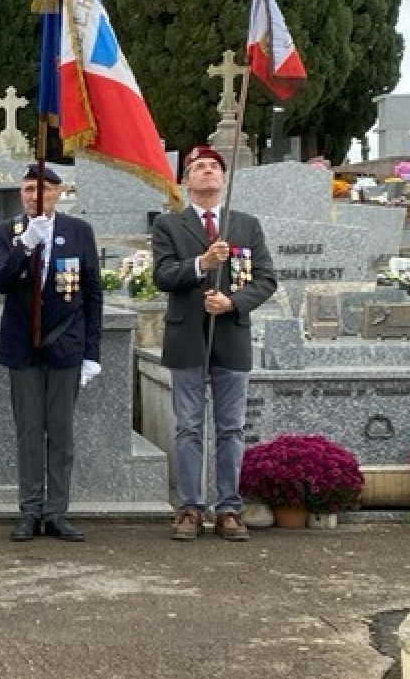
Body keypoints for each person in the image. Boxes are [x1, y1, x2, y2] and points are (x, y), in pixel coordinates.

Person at [152, 145, 276, 542]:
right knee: (188, 426)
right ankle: (190, 507)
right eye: (199, 167)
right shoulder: (169, 225)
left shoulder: (246, 225)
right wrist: (201, 264)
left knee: (231, 428)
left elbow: (265, 279)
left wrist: (232, 302)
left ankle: (228, 509)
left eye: (214, 167)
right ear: (186, 181)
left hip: (231, 335)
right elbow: (163, 275)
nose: (207, 171)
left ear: (223, 179)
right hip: (187, 336)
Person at [0, 163, 102, 543]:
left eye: (43, 190)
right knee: (29, 432)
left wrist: (92, 352)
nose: (34, 196)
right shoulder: (7, 232)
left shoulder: (79, 231)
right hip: (23, 347)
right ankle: (29, 510)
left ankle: (56, 512)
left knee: (61, 434)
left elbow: (92, 294)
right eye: (27, 190)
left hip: (65, 346)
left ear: (58, 193)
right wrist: (25, 245)